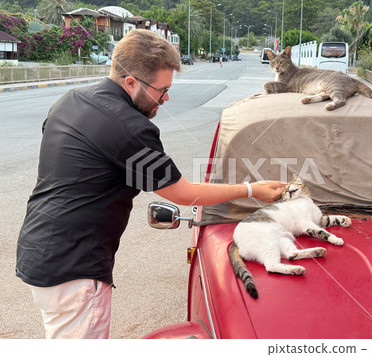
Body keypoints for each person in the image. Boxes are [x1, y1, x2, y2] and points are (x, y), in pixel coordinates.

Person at [16, 29, 285, 339]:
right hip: (75, 270)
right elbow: (184, 193)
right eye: (162, 90)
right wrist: (253, 189)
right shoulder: (130, 129)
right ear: (131, 82)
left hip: (40, 247)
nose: (166, 98)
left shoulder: (71, 100)